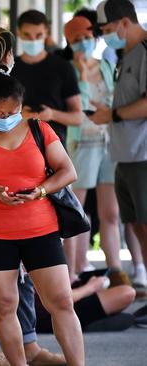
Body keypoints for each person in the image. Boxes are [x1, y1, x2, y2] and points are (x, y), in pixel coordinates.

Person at [0, 65, 85, 366]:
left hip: (41, 227)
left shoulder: (39, 129)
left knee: (61, 302)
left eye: (11, 113)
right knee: (4, 305)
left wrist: (40, 191)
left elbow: (68, 171)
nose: (4, 119)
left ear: (20, 107)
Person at [61, 15, 130, 287]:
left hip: (108, 144)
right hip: (80, 145)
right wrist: (79, 73)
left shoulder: (106, 66)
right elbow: (78, 107)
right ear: (69, 42)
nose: (84, 43)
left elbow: (114, 103)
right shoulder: (66, 70)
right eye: (77, 40)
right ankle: (73, 270)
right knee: (76, 211)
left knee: (110, 213)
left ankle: (116, 270)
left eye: (87, 38)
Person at [90, 0, 147, 310]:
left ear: (125, 22)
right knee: (137, 225)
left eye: (110, 30)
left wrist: (113, 115)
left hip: (143, 155)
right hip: (125, 155)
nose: (107, 36)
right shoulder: (126, 54)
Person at [12, 9, 82, 147]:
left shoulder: (63, 67)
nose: (33, 40)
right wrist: (19, 116)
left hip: (54, 151)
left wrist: (51, 115)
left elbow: (78, 117)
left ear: (46, 33)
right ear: (18, 33)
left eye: (38, 35)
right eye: (27, 35)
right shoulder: (9, 69)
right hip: (17, 148)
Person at [35, 275, 136, 333]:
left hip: (57, 301)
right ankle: (82, 324)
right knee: (127, 293)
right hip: (50, 312)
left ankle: (92, 320)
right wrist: (90, 287)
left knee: (124, 294)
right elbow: (57, 299)